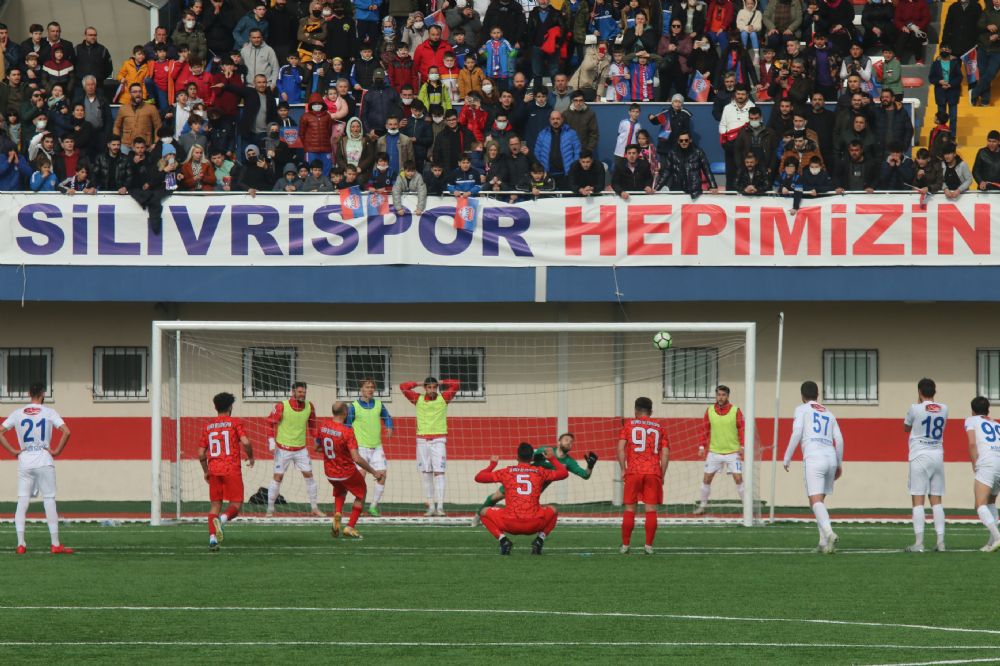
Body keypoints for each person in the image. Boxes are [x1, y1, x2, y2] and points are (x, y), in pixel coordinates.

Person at [0, 382, 74, 554]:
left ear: (28, 393)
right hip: (43, 459)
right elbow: (67, 432)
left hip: (25, 460)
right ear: (42, 394)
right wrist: (56, 451)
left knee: (22, 500)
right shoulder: (49, 412)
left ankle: (21, 544)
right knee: (49, 499)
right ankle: (55, 544)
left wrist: (13, 451)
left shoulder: (18, 413)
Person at [474, 433, 597, 526]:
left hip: (536, 488)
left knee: (527, 509)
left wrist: (590, 466)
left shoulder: (569, 462)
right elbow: (528, 458)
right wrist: (535, 456)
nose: (569, 443)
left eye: (571, 442)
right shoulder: (545, 450)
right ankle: (478, 515)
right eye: (566, 440)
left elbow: (585, 475)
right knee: (496, 497)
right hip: (520, 480)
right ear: (559, 442)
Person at [474, 443, 568, 555]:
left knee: (483, 512)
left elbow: (478, 477)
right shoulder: (540, 472)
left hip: (509, 524)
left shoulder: (506, 472)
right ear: (532, 458)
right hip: (534, 524)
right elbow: (564, 473)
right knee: (554, 510)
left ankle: (503, 540)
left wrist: (492, 465)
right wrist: (552, 458)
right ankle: (539, 540)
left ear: (516, 457)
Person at [783, 380, 844, 554]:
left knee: (815, 501)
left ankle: (830, 533)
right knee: (818, 502)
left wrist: (787, 457)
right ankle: (823, 543)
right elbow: (839, 440)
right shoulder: (829, 413)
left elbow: (797, 432)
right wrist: (839, 463)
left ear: (802, 396)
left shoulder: (801, 409)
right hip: (830, 457)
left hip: (814, 457)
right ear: (818, 395)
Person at [315, 402, 387, 540]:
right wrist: (374, 472)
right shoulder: (347, 431)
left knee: (340, 491)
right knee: (361, 493)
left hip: (330, 473)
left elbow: (317, 447)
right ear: (345, 413)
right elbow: (357, 458)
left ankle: (337, 513)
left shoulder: (323, 426)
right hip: (346, 472)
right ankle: (350, 527)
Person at [198, 392, 254, 552]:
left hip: (214, 470)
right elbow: (246, 442)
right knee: (236, 504)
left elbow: (201, 453)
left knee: (215, 506)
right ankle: (222, 520)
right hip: (231, 469)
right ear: (230, 407)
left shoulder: (208, 427)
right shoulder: (235, 423)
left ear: (215, 407)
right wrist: (251, 457)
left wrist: (206, 471)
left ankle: (212, 539)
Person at [399, 377, 461, 516]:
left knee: (439, 472)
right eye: (429, 387)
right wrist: (419, 382)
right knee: (426, 473)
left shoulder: (443, 398)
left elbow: (456, 384)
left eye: (434, 387)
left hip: (438, 440)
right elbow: (403, 386)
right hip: (422, 441)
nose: (432, 390)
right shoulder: (418, 399)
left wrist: (440, 382)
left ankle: (440, 506)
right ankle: (431, 506)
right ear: (425, 388)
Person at [902, 378, 949, 553]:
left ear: (919, 392)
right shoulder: (944, 408)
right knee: (936, 500)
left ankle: (919, 543)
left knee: (918, 499)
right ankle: (941, 542)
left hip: (919, 455)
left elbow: (906, 427)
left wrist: (918, 404)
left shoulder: (915, 408)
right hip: (937, 454)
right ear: (934, 391)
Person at [617, 396, 668, 555]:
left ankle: (625, 545)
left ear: (636, 410)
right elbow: (665, 454)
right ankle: (648, 546)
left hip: (634, 470)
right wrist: (662, 473)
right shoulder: (660, 428)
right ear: (651, 411)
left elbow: (620, 449)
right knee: (651, 509)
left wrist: (623, 469)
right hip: (653, 471)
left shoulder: (628, 425)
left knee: (630, 508)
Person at [265, 381, 322, 518]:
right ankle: (270, 509)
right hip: (283, 449)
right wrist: (271, 441)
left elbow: (313, 426)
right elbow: (269, 423)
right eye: (300, 392)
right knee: (278, 477)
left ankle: (314, 508)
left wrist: (317, 439)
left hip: (301, 449)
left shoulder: (310, 406)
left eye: (304, 392)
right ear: (293, 392)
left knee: (309, 475)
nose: (302, 394)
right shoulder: (282, 406)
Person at [694, 385, 745, 516]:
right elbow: (704, 429)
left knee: (738, 479)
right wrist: (701, 446)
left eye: (723, 395)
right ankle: (702, 506)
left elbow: (742, 429)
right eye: (718, 394)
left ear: (728, 396)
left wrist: (742, 446)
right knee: (706, 479)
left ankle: (747, 507)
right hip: (714, 452)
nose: (720, 397)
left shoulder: (735, 410)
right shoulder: (710, 410)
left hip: (733, 452)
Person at [346, 379, 394, 517]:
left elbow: (387, 417)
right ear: (362, 389)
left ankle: (373, 506)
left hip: (377, 447)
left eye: (372, 387)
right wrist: (349, 445)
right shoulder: (354, 406)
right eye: (367, 387)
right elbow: (347, 426)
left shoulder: (379, 404)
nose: (370, 389)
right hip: (360, 447)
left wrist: (389, 426)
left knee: (382, 475)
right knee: (360, 478)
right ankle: (359, 505)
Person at [965, 396, 1000, 552]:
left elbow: (972, 443)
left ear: (972, 410)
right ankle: (992, 543)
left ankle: (998, 537)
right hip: (998, 460)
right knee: (991, 502)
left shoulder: (971, 420)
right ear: (988, 410)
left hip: (987, 462)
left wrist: (974, 463)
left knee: (979, 504)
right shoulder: (995, 423)